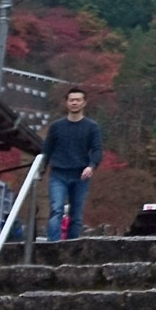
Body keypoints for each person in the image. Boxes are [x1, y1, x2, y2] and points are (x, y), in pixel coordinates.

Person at [43, 87, 103, 241]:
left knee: (76, 215)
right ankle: (53, 246)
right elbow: (47, 150)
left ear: (84, 103)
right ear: (66, 103)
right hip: (58, 173)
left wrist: (92, 166)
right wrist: (42, 169)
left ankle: (70, 248)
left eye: (78, 100)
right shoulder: (56, 127)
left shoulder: (92, 127)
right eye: (71, 100)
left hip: (80, 175)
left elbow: (97, 149)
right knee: (56, 210)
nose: (74, 103)